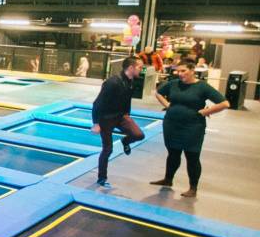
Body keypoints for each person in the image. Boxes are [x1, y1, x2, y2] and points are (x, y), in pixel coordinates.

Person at [151, 60, 230, 198]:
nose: (180, 74)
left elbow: (224, 103)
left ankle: (193, 188)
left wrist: (206, 111)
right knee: (173, 153)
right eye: (178, 71)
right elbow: (158, 93)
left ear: (192, 70)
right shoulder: (173, 83)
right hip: (172, 124)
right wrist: (167, 105)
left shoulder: (202, 87)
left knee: (192, 156)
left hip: (193, 127)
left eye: (183, 71)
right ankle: (168, 179)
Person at [90, 57, 147, 188]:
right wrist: (96, 123)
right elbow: (97, 103)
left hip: (121, 116)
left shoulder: (131, 81)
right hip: (106, 118)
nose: (141, 70)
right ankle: (102, 178)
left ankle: (125, 141)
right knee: (107, 149)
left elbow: (127, 100)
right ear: (131, 68)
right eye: (140, 67)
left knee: (138, 135)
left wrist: (127, 115)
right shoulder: (112, 82)